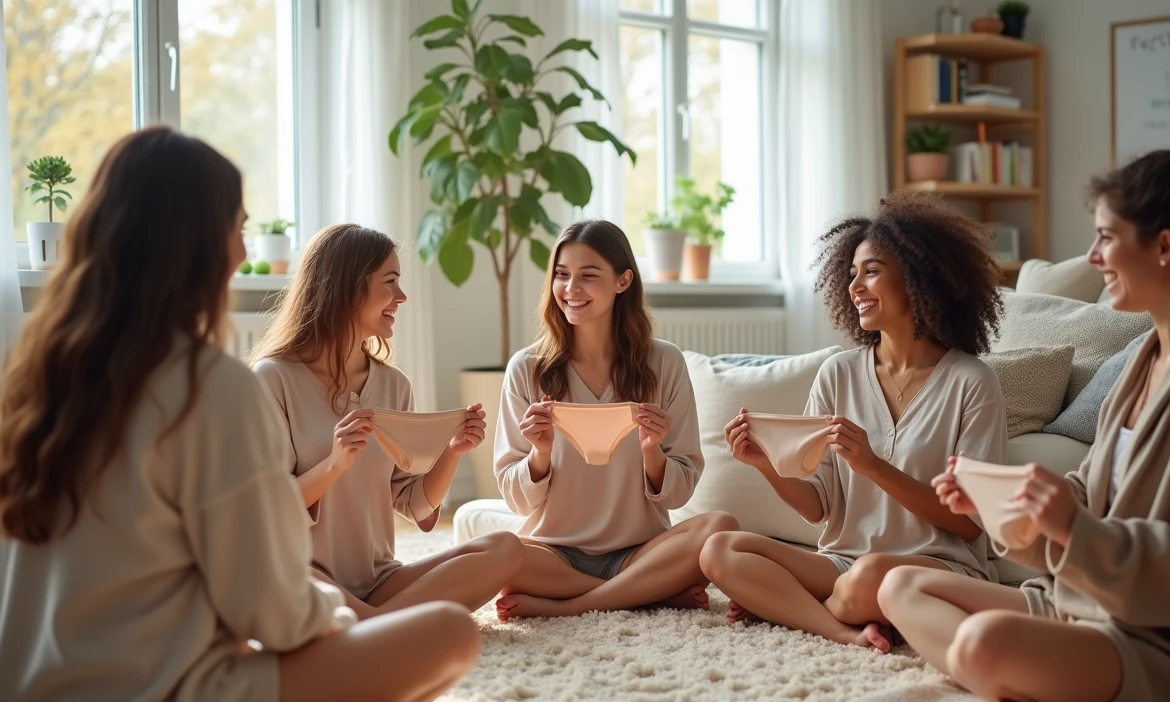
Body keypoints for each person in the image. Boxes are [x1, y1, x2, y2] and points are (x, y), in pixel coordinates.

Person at [0, 128, 479, 702]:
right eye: (238, 229)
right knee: (449, 634)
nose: (246, 250)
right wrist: (340, 615)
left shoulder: (36, 378)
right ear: (197, 247)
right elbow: (268, 613)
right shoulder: (211, 385)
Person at [879, 119, 1170, 702]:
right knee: (900, 584)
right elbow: (1092, 490)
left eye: (1107, 238)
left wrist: (1074, 530)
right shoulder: (1140, 360)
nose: (1094, 258)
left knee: (983, 642)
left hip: (1165, 645)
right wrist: (1003, 508)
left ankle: (1056, 691)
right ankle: (1060, 691)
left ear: (1165, 247)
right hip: (1084, 606)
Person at [699, 191, 1007, 651]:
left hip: (937, 565)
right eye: (851, 274)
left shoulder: (972, 382)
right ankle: (842, 630)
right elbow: (817, 506)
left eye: (871, 271)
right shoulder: (838, 374)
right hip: (842, 561)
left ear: (917, 277)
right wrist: (765, 463)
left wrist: (873, 466)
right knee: (720, 550)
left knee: (870, 578)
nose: (854, 287)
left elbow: (971, 525)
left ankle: (789, 607)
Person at [250, 223, 523, 618]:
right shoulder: (273, 379)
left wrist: (451, 452)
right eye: (390, 282)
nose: (402, 296)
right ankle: (389, 625)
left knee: (505, 548)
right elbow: (267, 510)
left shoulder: (394, 385)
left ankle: (371, 625)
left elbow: (414, 504)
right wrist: (334, 463)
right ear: (345, 287)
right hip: (304, 575)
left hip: (379, 581)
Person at [493, 219, 736, 620]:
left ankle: (577, 603)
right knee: (500, 557)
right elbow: (515, 499)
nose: (571, 289)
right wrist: (539, 454)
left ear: (623, 281)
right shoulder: (527, 369)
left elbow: (680, 492)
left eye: (588, 276)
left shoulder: (665, 363)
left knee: (720, 527)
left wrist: (652, 451)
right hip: (553, 552)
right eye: (562, 275)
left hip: (639, 552)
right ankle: (649, 593)